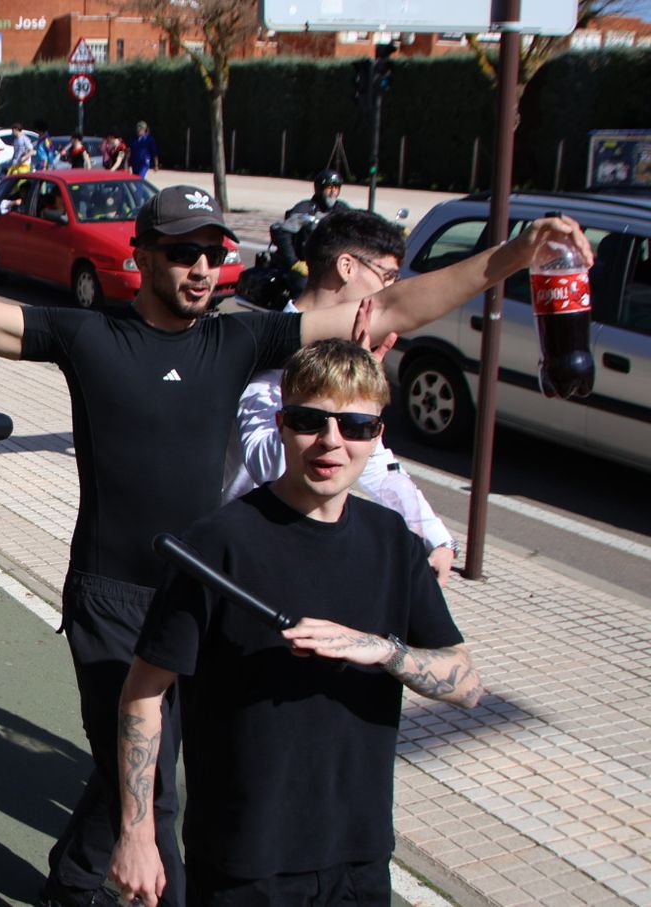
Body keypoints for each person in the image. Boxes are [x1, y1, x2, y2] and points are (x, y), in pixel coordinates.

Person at [0, 185, 590, 907]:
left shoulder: (240, 341)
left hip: (205, 594)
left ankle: (69, 879)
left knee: (161, 771)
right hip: (111, 597)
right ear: (144, 255)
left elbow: (399, 308)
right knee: (152, 791)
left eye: (213, 253)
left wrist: (513, 256)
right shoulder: (88, 336)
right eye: (184, 253)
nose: (202, 268)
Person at [110, 339, 483, 907]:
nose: (331, 441)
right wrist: (138, 835)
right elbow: (143, 695)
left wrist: (383, 650)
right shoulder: (217, 545)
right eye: (311, 420)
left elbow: (467, 683)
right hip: (244, 860)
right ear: (282, 424)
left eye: (356, 425)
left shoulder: (394, 545)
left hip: (358, 857)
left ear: (377, 436)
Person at [225, 210, 458, 582]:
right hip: (242, 559)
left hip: (306, 556)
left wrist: (437, 539)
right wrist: (326, 400)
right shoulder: (263, 350)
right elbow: (268, 467)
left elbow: (378, 463)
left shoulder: (347, 354)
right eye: (387, 278)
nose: (390, 295)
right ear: (347, 266)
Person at [270, 170, 350, 270]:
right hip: (306, 264)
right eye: (329, 187)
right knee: (302, 283)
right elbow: (282, 233)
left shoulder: (342, 209)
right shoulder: (305, 208)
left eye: (336, 187)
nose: (333, 191)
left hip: (331, 266)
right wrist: (294, 263)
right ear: (319, 189)